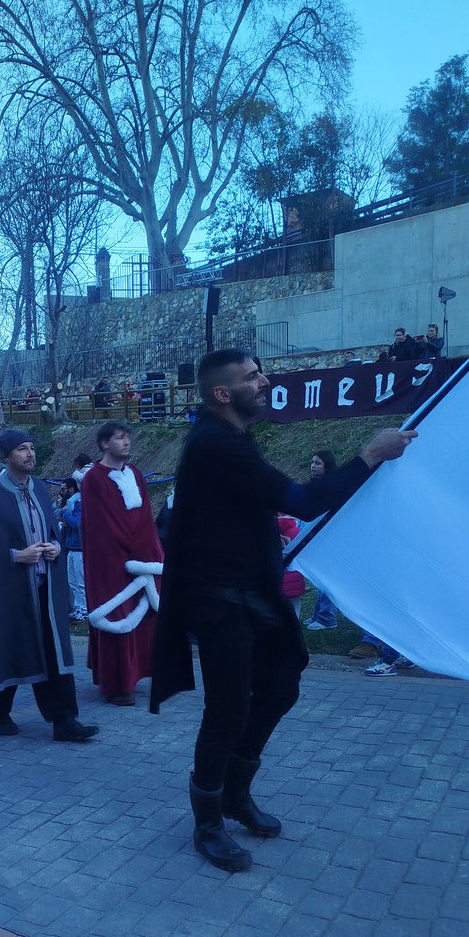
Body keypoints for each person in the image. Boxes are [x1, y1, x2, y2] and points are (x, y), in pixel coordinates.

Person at [150, 349, 415, 872]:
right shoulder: (216, 444)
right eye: (252, 377)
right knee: (226, 709)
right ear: (223, 394)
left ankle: (235, 792)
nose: (264, 380)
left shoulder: (231, 438)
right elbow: (302, 500)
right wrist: (371, 454)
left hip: (251, 593)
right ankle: (207, 821)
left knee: (281, 683)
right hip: (220, 601)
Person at [0, 428, 98, 742]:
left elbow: (51, 529)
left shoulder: (39, 489)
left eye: (32, 447)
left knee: (53, 656)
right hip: (9, 592)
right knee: (7, 650)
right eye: (21, 449)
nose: (29, 453)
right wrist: (14, 555)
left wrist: (56, 548)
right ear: (7, 457)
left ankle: (64, 720)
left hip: (43, 591)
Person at [81, 421, 164, 706]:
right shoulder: (94, 478)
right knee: (116, 615)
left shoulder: (136, 474)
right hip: (111, 561)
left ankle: (135, 675)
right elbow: (102, 525)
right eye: (119, 438)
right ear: (105, 443)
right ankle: (116, 686)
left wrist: (150, 553)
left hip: (141, 556)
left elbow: (145, 519)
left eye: (127, 437)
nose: (126, 442)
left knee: (143, 614)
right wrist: (128, 552)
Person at [303, 451, 339, 630]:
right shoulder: (315, 485)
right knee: (317, 578)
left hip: (326, 537)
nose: (313, 466)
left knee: (325, 579)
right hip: (314, 536)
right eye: (312, 462)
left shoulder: (331, 486)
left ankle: (327, 617)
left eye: (318, 463)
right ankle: (318, 613)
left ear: (327, 466)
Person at [59, 477, 87, 621]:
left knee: (81, 582)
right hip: (71, 546)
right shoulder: (70, 504)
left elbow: (76, 523)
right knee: (73, 582)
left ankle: (85, 610)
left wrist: (66, 513)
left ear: (71, 489)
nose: (61, 492)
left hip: (79, 548)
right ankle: (78, 608)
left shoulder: (79, 504)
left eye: (63, 489)